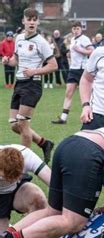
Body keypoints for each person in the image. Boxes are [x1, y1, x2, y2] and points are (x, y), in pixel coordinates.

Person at [1, 8, 58, 164]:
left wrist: (34, 71)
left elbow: (53, 65)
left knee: (23, 125)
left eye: (34, 19)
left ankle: (24, 165)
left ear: (38, 22)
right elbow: (16, 60)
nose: (32, 22)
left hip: (33, 85)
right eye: (29, 19)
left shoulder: (41, 42)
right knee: (14, 125)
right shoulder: (19, 38)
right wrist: (8, 61)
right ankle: (44, 143)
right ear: (23, 21)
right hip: (19, 83)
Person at [0, 145, 50, 238]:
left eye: (13, 177)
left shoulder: (27, 155)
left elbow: (54, 183)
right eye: (4, 177)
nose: (9, 180)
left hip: (17, 193)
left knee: (38, 199)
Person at [51, 22, 94, 124]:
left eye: (77, 29)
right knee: (68, 92)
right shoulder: (73, 39)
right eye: (74, 29)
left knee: (88, 94)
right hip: (73, 69)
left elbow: (92, 51)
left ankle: (91, 115)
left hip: (82, 70)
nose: (75, 31)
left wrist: (80, 50)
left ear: (81, 29)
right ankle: (63, 118)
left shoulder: (85, 39)